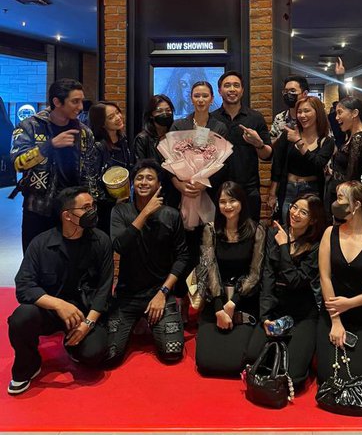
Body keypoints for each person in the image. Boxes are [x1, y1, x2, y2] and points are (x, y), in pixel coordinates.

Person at [7, 186, 113, 395]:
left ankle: (73, 345)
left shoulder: (101, 241)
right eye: (86, 208)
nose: (92, 211)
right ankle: (29, 365)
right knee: (21, 317)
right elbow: (24, 286)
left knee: (94, 354)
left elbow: (104, 289)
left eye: (93, 206)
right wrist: (59, 305)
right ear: (67, 215)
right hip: (50, 311)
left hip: (84, 312)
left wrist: (88, 324)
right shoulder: (41, 243)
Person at [106, 159, 189, 366]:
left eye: (150, 178)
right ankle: (136, 322)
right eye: (139, 178)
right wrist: (144, 213)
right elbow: (119, 246)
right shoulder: (120, 211)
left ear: (159, 184)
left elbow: (182, 257)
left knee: (172, 353)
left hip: (159, 293)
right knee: (109, 355)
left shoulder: (171, 215)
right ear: (133, 183)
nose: (144, 182)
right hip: (127, 295)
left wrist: (163, 293)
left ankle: (152, 322)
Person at [317, 181, 362, 396]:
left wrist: (350, 303)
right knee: (330, 380)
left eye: (340, 198)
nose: (335, 203)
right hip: (333, 314)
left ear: (356, 204)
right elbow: (325, 277)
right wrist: (336, 320)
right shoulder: (330, 233)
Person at [246, 193, 327, 386]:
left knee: (294, 376)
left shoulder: (317, 245)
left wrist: (284, 246)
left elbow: (295, 281)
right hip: (276, 307)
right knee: (252, 356)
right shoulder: (274, 233)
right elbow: (267, 277)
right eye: (294, 207)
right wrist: (265, 317)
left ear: (313, 219)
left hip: (302, 313)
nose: (295, 213)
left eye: (303, 212)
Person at [10, 78, 97, 253]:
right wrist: (49, 146)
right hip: (39, 208)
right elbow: (18, 163)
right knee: (37, 258)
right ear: (57, 102)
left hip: (74, 208)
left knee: (73, 259)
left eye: (81, 101)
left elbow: (90, 171)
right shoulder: (30, 126)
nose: (80, 107)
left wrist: (91, 203)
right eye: (75, 101)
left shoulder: (84, 132)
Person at [195, 181, 266, 376]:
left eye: (232, 200)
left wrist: (233, 303)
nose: (228, 206)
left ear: (241, 202)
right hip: (215, 300)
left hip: (244, 300)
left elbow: (255, 273)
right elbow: (208, 268)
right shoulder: (210, 230)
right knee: (206, 363)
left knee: (235, 363)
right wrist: (219, 308)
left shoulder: (257, 230)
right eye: (223, 201)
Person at [171, 80, 229, 268]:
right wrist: (179, 184)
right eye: (197, 96)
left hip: (209, 193)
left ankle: (207, 283)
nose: (201, 100)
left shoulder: (219, 127)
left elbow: (223, 163)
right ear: (191, 98)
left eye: (205, 96)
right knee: (184, 245)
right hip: (183, 192)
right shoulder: (179, 125)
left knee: (208, 242)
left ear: (212, 99)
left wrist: (204, 183)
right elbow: (168, 161)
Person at [211, 71, 272, 221]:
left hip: (248, 189)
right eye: (227, 85)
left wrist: (258, 144)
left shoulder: (255, 117)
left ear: (242, 90)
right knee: (219, 231)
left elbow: (267, 156)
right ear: (219, 91)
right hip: (218, 189)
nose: (232, 89)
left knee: (250, 230)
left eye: (236, 85)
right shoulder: (211, 119)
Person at [268, 96, 334, 224]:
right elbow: (278, 163)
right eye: (299, 112)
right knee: (286, 224)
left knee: (310, 227)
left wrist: (299, 142)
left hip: (312, 190)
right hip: (289, 188)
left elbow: (318, 164)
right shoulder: (289, 134)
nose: (302, 115)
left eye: (307, 111)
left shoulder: (326, 141)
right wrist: (272, 193)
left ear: (318, 113)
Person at [88, 100, 131, 235]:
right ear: (101, 123)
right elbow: (92, 181)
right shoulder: (97, 146)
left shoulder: (122, 139)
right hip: (104, 207)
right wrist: (112, 201)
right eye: (111, 117)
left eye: (118, 113)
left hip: (123, 200)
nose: (118, 118)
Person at [133, 94, 179, 209]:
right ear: (151, 114)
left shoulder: (176, 135)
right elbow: (141, 167)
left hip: (175, 190)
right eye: (159, 111)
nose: (165, 114)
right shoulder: (143, 138)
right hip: (152, 192)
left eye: (168, 110)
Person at [324, 96, 362, 213]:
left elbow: (352, 175)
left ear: (354, 113)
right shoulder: (351, 136)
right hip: (338, 191)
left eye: (340, 112)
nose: (336, 117)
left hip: (344, 197)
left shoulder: (359, 138)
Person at [270, 75, 309, 142]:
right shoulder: (279, 118)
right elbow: (272, 142)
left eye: (293, 91)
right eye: (286, 91)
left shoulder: (312, 118)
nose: (288, 94)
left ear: (304, 94)